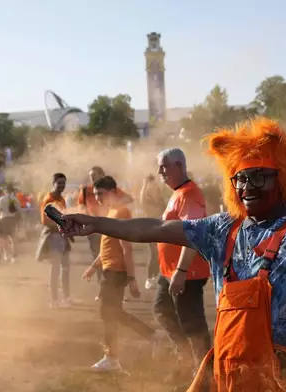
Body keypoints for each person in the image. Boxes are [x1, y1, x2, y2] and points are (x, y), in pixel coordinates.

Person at [59, 117, 286, 391]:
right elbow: (155, 229)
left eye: (259, 177)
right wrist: (95, 223)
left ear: (283, 180)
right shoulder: (223, 229)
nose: (247, 187)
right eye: (240, 178)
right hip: (231, 377)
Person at [83, 175, 160, 373]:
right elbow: (106, 247)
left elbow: (127, 249)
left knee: (108, 313)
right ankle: (152, 336)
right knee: (112, 312)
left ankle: (112, 358)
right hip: (109, 269)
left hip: (116, 272)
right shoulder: (111, 212)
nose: (98, 198)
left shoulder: (121, 212)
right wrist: (94, 266)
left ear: (112, 191)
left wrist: (132, 279)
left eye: (101, 193)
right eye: (95, 194)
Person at [151, 147, 212, 385]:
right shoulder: (178, 192)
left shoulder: (190, 194)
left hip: (186, 273)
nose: (160, 171)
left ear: (179, 165)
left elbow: (194, 234)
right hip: (170, 272)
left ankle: (205, 377)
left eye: (164, 166)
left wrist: (181, 270)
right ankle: (187, 359)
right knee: (161, 310)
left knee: (192, 324)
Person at [35, 173, 72, 308]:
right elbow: (45, 221)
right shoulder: (49, 199)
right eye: (59, 183)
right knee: (55, 268)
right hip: (53, 237)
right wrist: (62, 225)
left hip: (62, 236)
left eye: (63, 183)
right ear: (53, 183)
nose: (62, 185)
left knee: (65, 268)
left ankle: (66, 298)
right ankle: (54, 300)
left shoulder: (61, 199)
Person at [139, 174, 166, 290]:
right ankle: (150, 278)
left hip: (160, 225)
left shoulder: (158, 196)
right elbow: (142, 200)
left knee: (160, 253)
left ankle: (155, 276)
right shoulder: (146, 197)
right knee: (154, 253)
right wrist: (145, 184)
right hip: (150, 226)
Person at [0, 184, 20, 264]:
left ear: (5, 190)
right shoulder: (15, 199)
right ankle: (14, 256)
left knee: (1, 239)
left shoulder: (2, 199)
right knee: (13, 239)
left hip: (4, 219)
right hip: (12, 220)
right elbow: (18, 211)